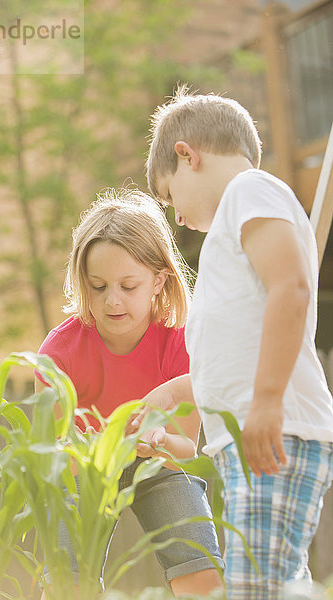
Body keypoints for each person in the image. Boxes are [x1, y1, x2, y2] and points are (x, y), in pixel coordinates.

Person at [130, 86, 333, 599]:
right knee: (272, 583)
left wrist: (266, 402)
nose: (175, 217)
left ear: (187, 155)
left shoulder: (250, 190)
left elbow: (292, 287)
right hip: (253, 438)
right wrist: (177, 392)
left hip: (274, 429)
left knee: (256, 587)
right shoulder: (232, 233)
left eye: (170, 196)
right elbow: (236, 356)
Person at [35, 188, 224, 598]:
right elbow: (52, 451)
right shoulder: (59, 353)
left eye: (128, 285)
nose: (112, 301)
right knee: (67, 564)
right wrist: (97, 450)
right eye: (98, 286)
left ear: (159, 281)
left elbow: (184, 446)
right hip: (83, 468)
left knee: (194, 549)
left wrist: (158, 442)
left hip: (156, 465)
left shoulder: (180, 345)